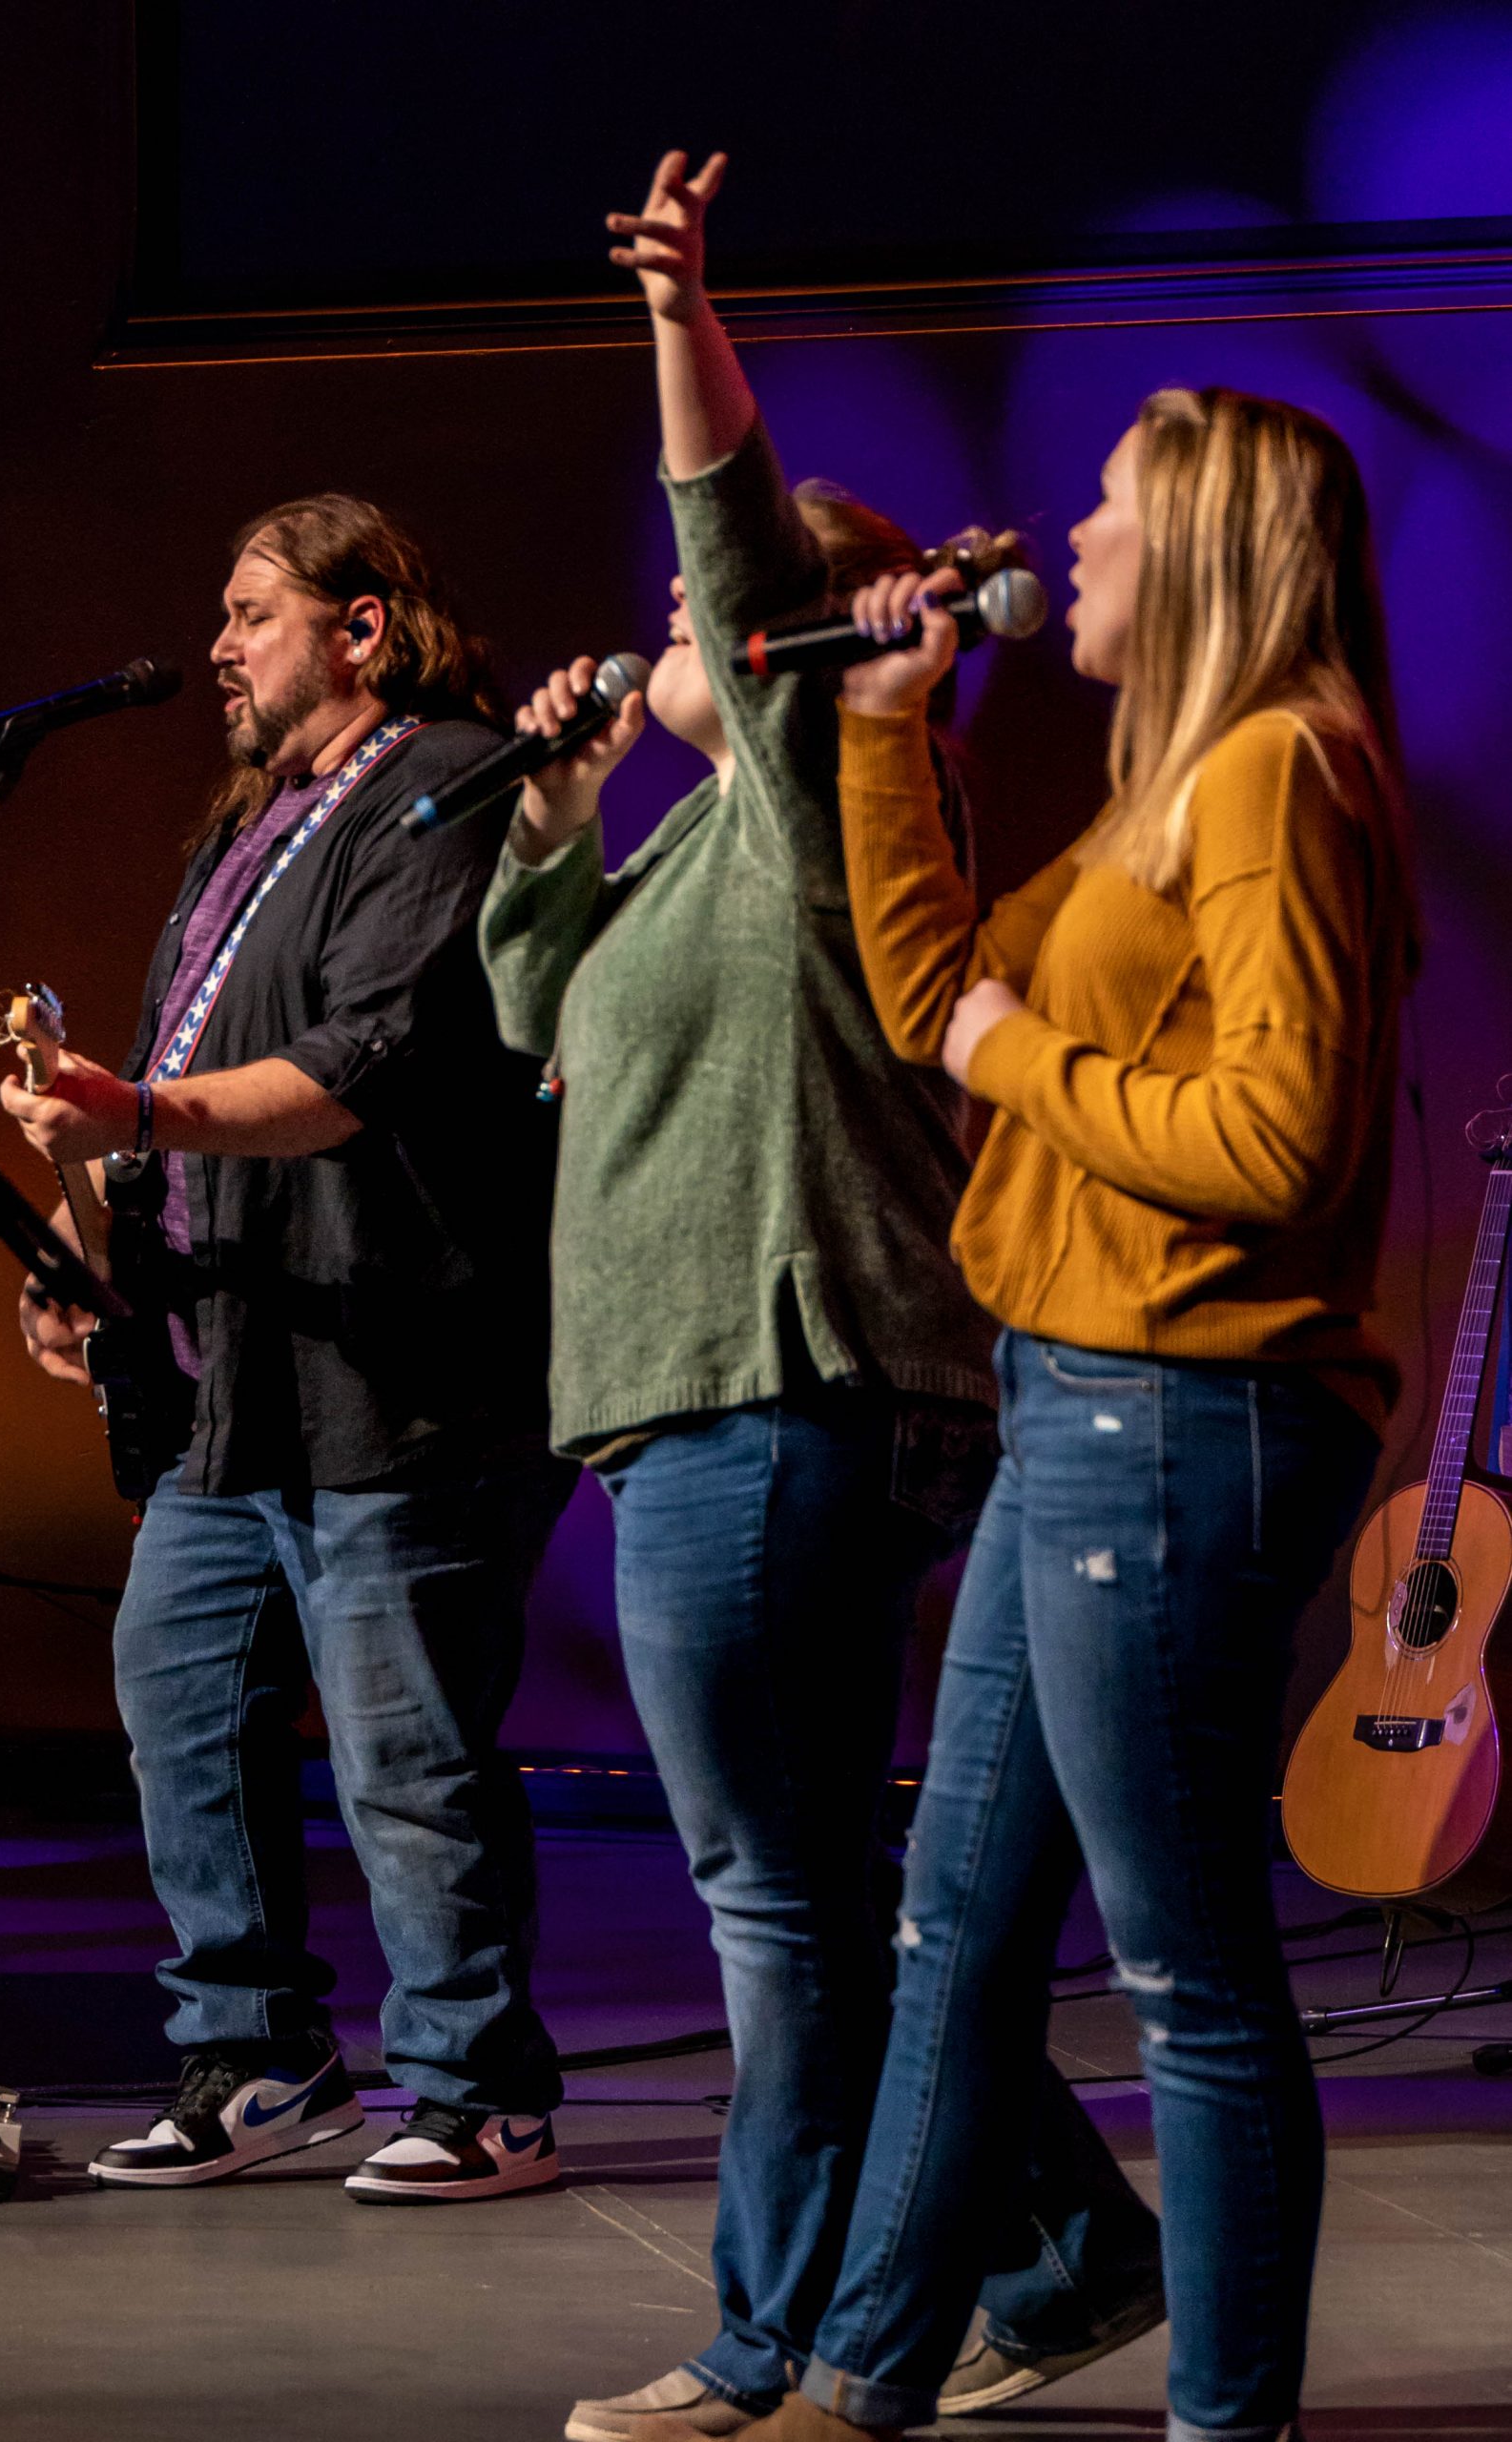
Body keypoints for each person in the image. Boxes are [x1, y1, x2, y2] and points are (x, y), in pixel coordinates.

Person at [477, 152, 1165, 2440]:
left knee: (770, 1907)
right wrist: (557, 805)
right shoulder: (690, 836)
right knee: (826, 1894)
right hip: (688, 1395)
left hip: (780, 1380)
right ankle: (1065, 2247)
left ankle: (766, 2340)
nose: (665, 613)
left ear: (811, 630)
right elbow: (530, 1012)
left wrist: (679, 312)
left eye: (718, 603)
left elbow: (734, 532)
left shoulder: (813, 785)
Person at [693, 386, 1418, 2442]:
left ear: (1195, 548)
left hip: (1188, 1408)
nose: (1064, 542)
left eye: (1103, 511)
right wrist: (881, 726)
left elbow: (1275, 1138)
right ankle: (857, 2379)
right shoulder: (1162, 788)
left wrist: (1024, 1053)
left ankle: (1225, 2417)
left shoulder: (1279, 765)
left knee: (1182, 1966)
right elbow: (932, 997)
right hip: (1071, 1393)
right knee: (948, 1918)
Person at [0, 493, 576, 2202]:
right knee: (177, 1698)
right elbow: (176, 1078)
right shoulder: (255, 821)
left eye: (253, 612)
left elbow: (360, 1067)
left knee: (406, 1748)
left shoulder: (447, 782)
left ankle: (483, 2092)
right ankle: (256, 2051)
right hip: (223, 1373)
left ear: (364, 626)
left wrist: (134, 1107)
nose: (222, 647)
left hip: (397, 1371)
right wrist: (82, 1236)